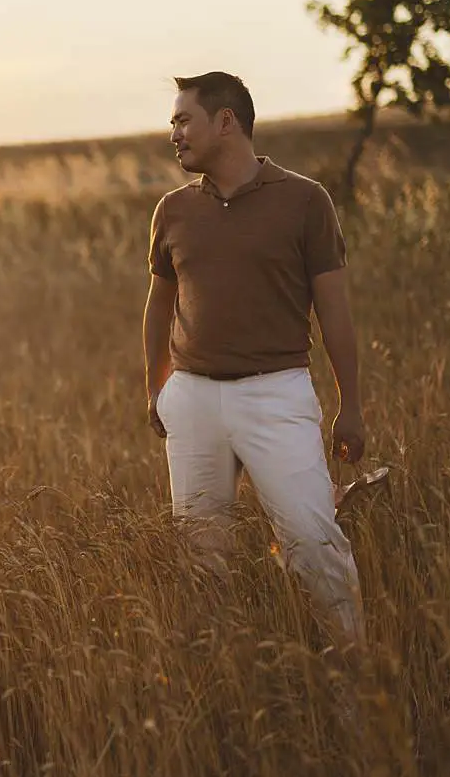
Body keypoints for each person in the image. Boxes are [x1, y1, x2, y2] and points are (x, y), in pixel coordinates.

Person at [141, 72, 365, 652]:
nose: (174, 134)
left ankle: (352, 679)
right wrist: (157, 390)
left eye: (183, 120)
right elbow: (159, 305)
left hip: (277, 393)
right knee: (199, 553)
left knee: (314, 542)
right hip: (192, 398)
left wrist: (352, 407)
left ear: (225, 121)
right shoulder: (173, 210)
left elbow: (335, 312)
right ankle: (220, 681)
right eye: (172, 122)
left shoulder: (305, 201)